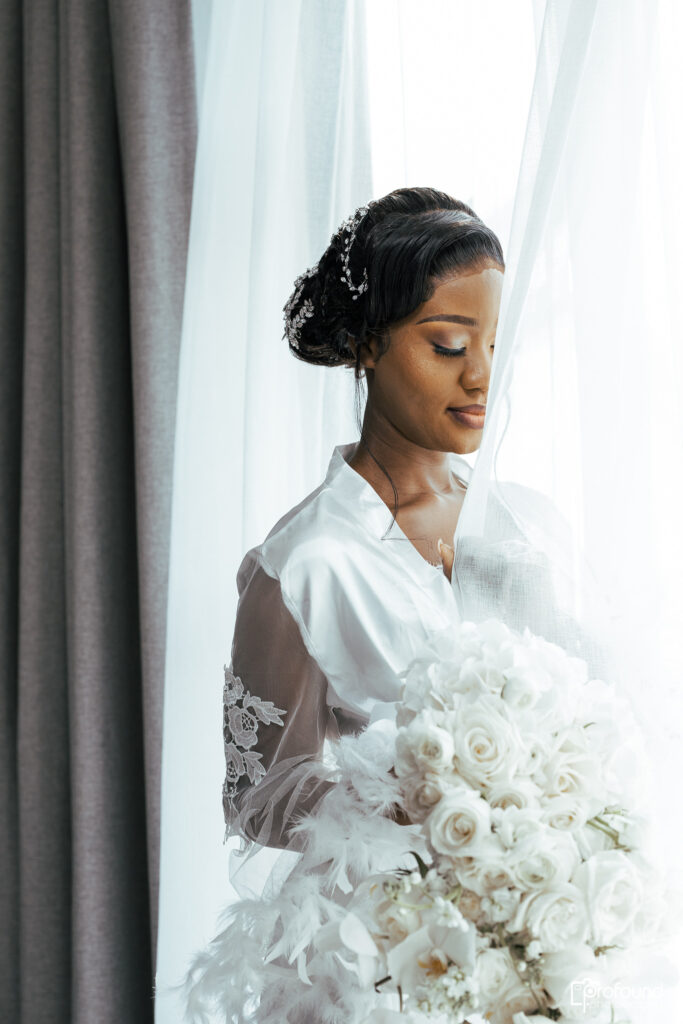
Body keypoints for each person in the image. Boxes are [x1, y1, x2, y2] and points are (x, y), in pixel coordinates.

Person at [181, 186, 507, 1022]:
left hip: (535, 925)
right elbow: (259, 794)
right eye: (447, 345)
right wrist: (418, 798)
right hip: (387, 959)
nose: (479, 376)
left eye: (493, 344)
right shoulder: (303, 565)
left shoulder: (520, 525)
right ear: (366, 344)